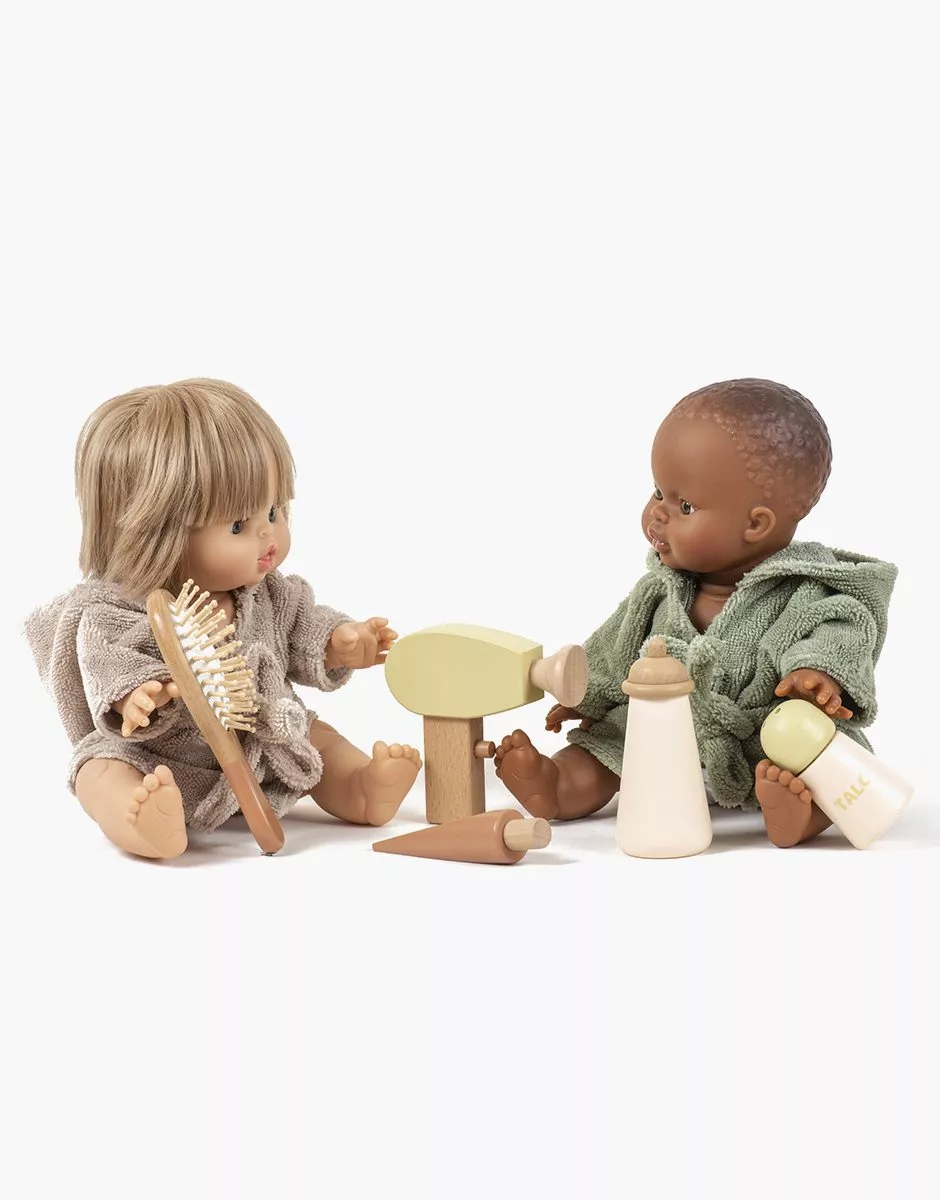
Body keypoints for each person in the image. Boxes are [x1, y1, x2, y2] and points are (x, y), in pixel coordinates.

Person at [25, 378, 421, 859]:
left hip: (262, 743)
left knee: (318, 738)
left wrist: (339, 642)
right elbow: (105, 663)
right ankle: (141, 818)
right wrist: (134, 695)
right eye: (238, 525)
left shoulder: (268, 593)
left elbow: (303, 626)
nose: (268, 535)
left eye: (274, 511)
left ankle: (360, 787)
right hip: (158, 758)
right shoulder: (114, 609)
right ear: (158, 532)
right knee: (97, 770)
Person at [493, 378, 897, 847]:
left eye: (684, 505)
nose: (657, 515)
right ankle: (559, 784)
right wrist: (588, 693)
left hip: (763, 730)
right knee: (609, 742)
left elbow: (843, 625)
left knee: (821, 756)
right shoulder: (659, 589)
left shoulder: (805, 589)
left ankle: (799, 813)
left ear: (755, 524)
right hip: (664, 725)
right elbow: (617, 642)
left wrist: (817, 673)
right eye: (657, 492)